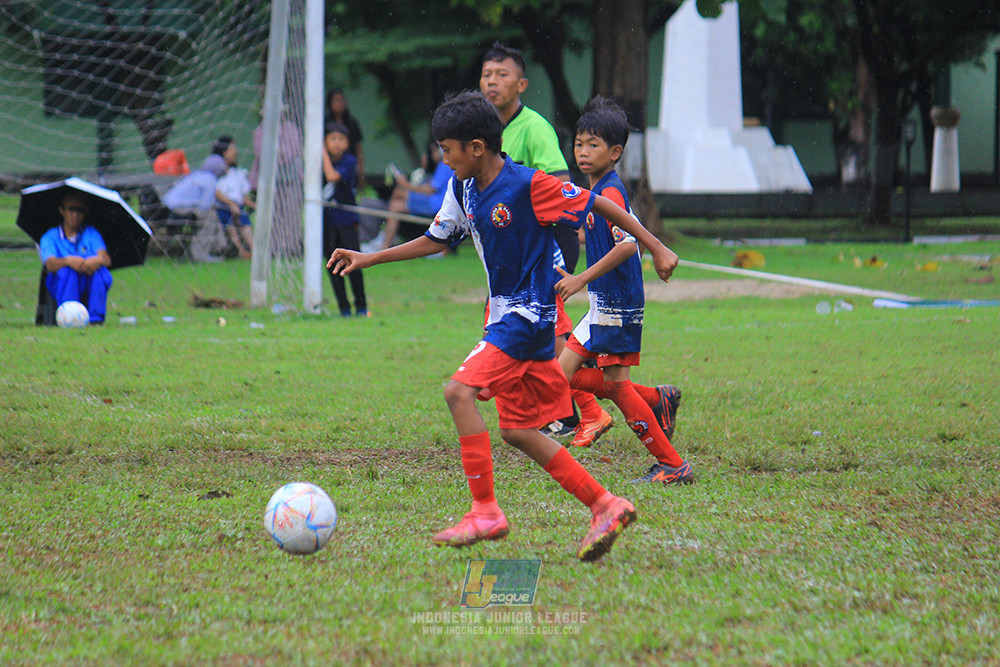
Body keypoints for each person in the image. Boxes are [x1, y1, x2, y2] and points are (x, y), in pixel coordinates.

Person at [328, 92, 678, 561]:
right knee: (517, 430)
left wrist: (656, 247)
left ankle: (485, 511)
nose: (443, 159)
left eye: (447, 150)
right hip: (507, 317)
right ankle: (606, 504)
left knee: (458, 393)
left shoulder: (529, 185)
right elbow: (436, 239)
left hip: (527, 317)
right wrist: (370, 258)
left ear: (476, 147)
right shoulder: (463, 188)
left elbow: (602, 206)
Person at [554, 97, 692, 485]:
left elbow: (628, 245)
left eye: (593, 145)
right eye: (579, 144)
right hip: (604, 303)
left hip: (616, 304)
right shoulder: (597, 189)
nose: (583, 152)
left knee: (602, 383)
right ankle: (656, 399)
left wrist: (580, 278)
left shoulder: (611, 193)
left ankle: (672, 465)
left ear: (614, 153)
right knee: (565, 377)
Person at [480, 41, 585, 437]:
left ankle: (566, 414)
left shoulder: (534, 127)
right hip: (514, 250)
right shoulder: (485, 131)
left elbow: (561, 186)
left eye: (501, 74)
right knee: (537, 328)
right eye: (487, 75)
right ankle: (644, 398)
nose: (492, 82)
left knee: (540, 327)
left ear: (521, 84)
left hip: (547, 243)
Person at [38, 191, 113, 324]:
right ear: (62, 210)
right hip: (61, 283)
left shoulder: (91, 233)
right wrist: (68, 261)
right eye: (71, 209)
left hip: (87, 278)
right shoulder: (51, 236)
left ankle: (96, 319)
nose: (75, 215)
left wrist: (96, 260)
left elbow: (106, 259)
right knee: (68, 272)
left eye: (80, 210)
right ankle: (68, 315)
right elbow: (49, 263)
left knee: (100, 272)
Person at [161, 135, 236, 262]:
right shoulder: (210, 180)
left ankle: (219, 245)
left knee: (211, 214)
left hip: (166, 207)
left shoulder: (197, 175)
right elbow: (204, 206)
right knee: (209, 216)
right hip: (177, 209)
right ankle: (201, 254)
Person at [322, 121, 366, 317]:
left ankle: (361, 306)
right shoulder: (316, 163)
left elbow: (332, 177)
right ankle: (344, 309)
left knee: (353, 263)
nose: (337, 143)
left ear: (347, 143)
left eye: (341, 139)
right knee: (332, 265)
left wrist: (321, 152)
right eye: (332, 139)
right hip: (327, 223)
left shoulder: (349, 161)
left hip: (347, 221)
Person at [382, 140, 455, 250]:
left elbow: (430, 190)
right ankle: (387, 238)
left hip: (435, 204)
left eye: (434, 151)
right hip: (437, 203)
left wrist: (406, 184)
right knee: (395, 205)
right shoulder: (446, 165)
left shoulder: (444, 165)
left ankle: (386, 240)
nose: (432, 155)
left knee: (398, 192)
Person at [325, 89, 365, 188]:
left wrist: (361, 174)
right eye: (333, 138)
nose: (337, 143)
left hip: (343, 162)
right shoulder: (324, 121)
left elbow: (358, 149)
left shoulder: (352, 123)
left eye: (342, 99)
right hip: (331, 160)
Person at [215, 161, 255, 258]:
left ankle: (254, 251)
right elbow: (218, 194)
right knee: (230, 225)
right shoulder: (220, 177)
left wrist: (253, 205)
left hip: (239, 206)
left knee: (245, 224)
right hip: (224, 206)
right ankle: (241, 251)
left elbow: (244, 196)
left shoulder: (239, 175)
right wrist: (231, 204)